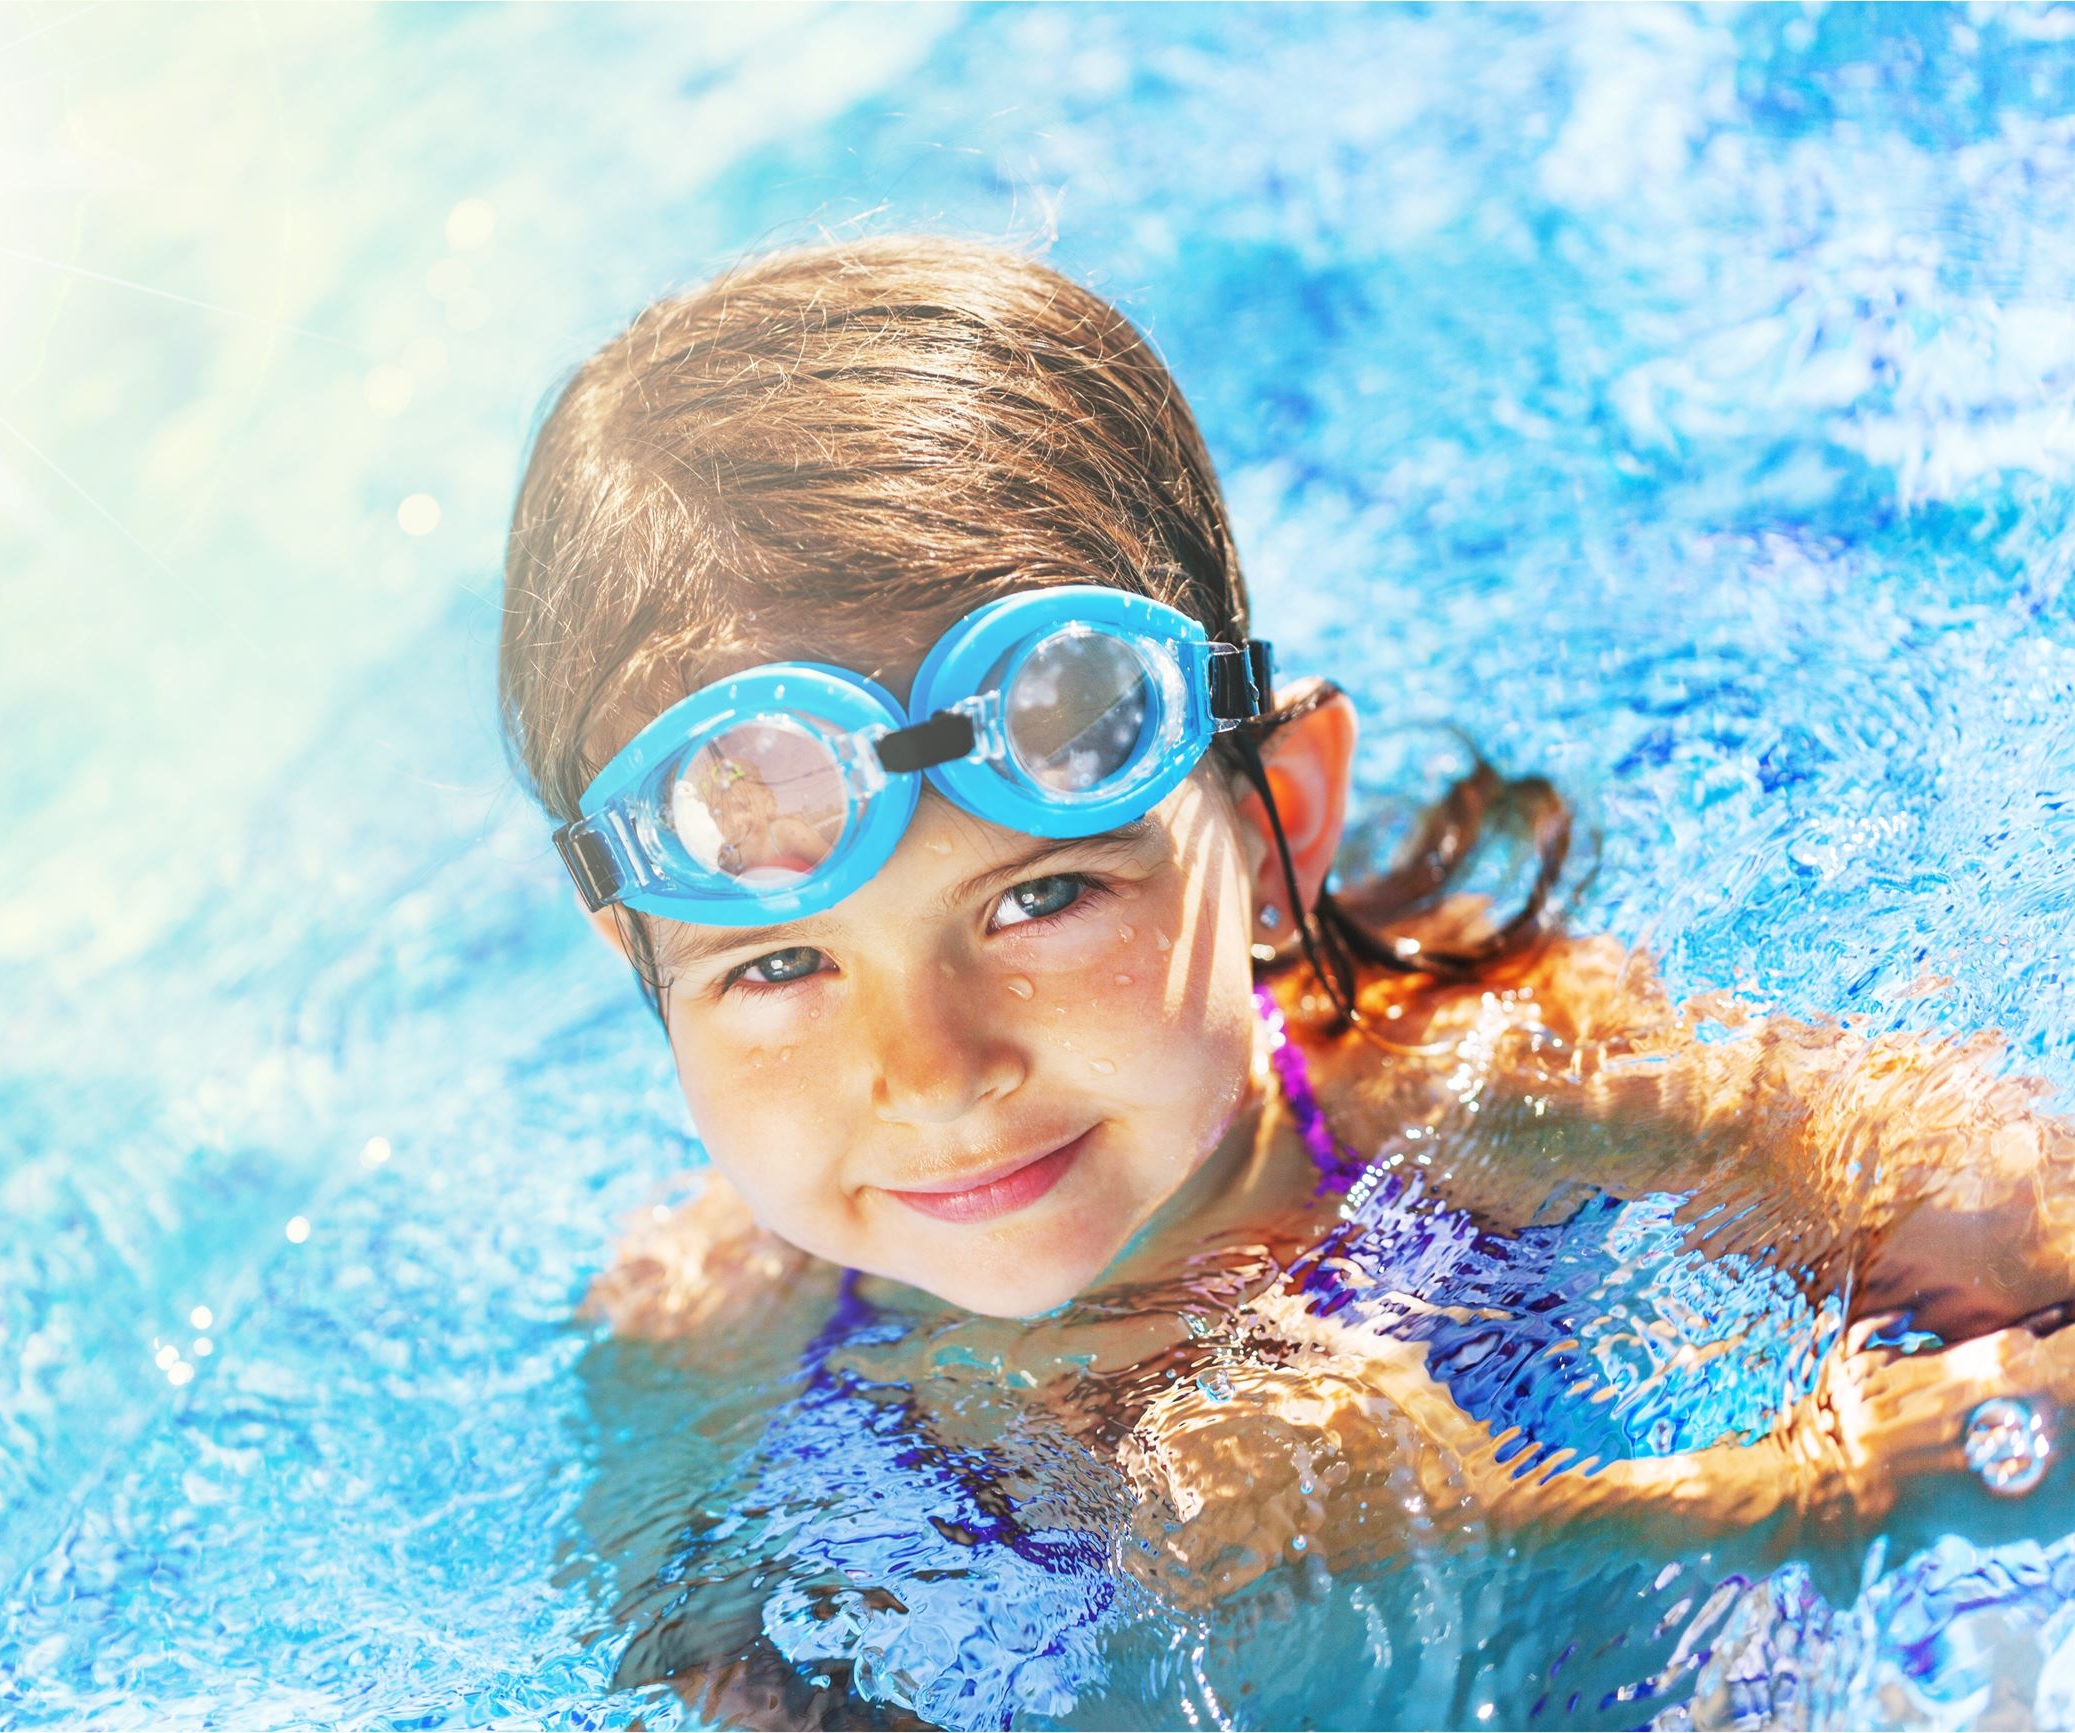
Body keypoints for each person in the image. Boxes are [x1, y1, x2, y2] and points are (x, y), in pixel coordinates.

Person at [499, 233, 2075, 1727]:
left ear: (1275, 826)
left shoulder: (1502, 1075)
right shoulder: (706, 1336)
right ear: (643, 959)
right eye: (782, 964)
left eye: (1041, 897)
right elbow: (696, 1677)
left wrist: (1516, 1513)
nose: (933, 1070)